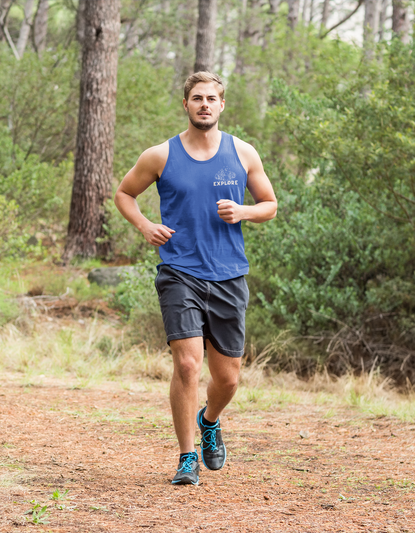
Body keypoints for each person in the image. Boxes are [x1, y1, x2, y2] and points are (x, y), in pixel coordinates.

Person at [114, 71, 277, 486]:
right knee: (187, 365)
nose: (204, 104)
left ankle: (210, 420)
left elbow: (270, 205)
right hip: (179, 271)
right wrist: (145, 225)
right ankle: (187, 457)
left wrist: (243, 211)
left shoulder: (243, 153)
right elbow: (124, 193)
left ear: (222, 106)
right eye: (197, 98)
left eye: (212, 98)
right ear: (185, 105)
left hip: (228, 275)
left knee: (228, 378)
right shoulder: (160, 156)